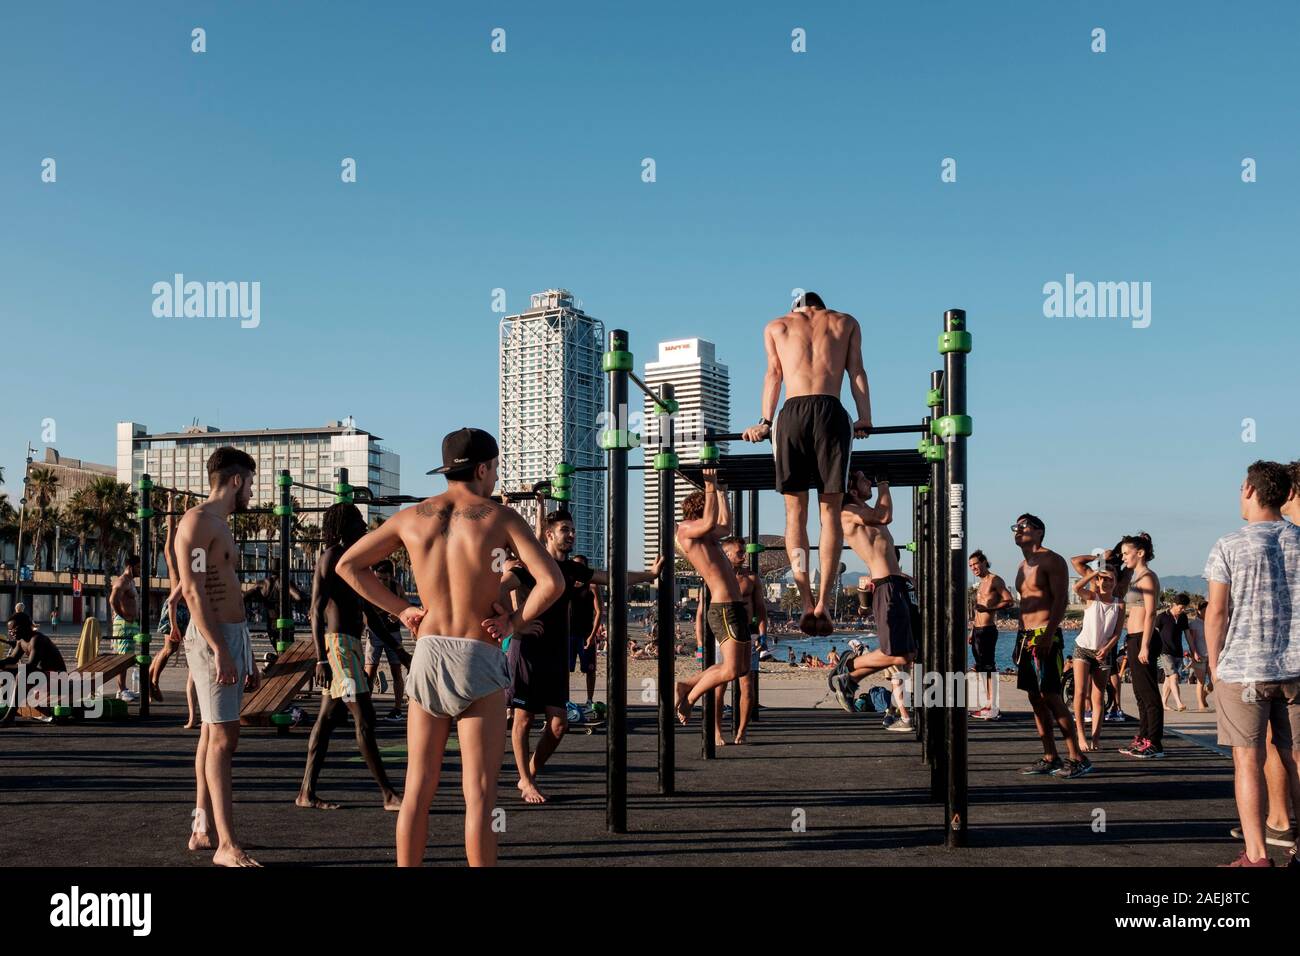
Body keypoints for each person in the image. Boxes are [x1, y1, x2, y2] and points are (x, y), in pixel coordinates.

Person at [336, 427, 563, 866]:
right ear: (482, 468)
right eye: (494, 469)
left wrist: (402, 610)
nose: (495, 478)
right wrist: (513, 623)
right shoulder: (499, 517)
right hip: (476, 652)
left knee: (418, 788)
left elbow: (349, 566)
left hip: (429, 652)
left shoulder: (410, 517)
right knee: (478, 795)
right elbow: (550, 582)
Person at [503, 496, 662, 804]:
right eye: (565, 529)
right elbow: (495, 587)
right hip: (527, 651)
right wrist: (514, 623)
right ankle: (525, 780)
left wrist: (649, 576)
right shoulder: (529, 567)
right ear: (549, 534)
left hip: (555, 654)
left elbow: (614, 577)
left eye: (573, 529)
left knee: (559, 723)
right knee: (523, 719)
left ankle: (529, 774)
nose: (571, 534)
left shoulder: (573, 571)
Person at [741, 292, 872, 636]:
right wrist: (865, 417)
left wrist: (764, 422)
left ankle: (804, 601)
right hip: (831, 412)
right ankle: (824, 603)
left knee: (794, 514)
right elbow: (856, 370)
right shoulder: (845, 321)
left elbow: (773, 375)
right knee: (830, 513)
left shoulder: (778, 325)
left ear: (796, 308)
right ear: (820, 306)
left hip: (793, 413)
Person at [1204, 460, 1300, 867]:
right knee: (1296, 754)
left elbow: (1217, 613)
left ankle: (1258, 855)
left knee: (1247, 760)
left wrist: (1212, 664)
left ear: (1250, 490)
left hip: (1244, 668)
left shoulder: (1230, 544)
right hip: (1296, 667)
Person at [173, 447, 263, 866]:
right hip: (216, 640)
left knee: (212, 734)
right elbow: (192, 591)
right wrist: (220, 649)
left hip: (231, 636)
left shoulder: (219, 526)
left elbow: (222, 586)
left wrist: (245, 651)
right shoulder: (197, 523)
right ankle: (227, 845)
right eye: (251, 482)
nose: (252, 492)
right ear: (237, 480)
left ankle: (201, 828)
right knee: (225, 741)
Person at [297, 503, 403, 812]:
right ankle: (388, 794)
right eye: (357, 520)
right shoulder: (331, 557)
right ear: (344, 525)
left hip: (351, 645)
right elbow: (315, 610)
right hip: (338, 647)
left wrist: (400, 651)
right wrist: (320, 658)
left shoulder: (356, 562)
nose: (363, 525)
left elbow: (371, 611)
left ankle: (306, 792)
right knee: (365, 718)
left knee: (326, 721)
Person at [828, 472, 917, 709]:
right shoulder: (848, 511)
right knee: (897, 654)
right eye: (864, 479)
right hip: (885, 585)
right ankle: (848, 666)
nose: (870, 482)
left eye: (871, 479)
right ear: (853, 490)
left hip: (895, 583)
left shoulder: (865, 511)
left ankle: (850, 678)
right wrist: (885, 484)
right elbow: (884, 515)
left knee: (909, 654)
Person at [1011, 514, 1090, 779]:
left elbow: (1059, 601)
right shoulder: (1023, 565)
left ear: (1039, 532)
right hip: (1026, 637)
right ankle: (1050, 756)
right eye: (1015, 527)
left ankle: (1077, 757)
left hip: (1045, 635)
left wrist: (1049, 634)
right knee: (1035, 698)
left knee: (1052, 697)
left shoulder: (1051, 560)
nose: (1018, 530)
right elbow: (1025, 606)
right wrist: (1018, 639)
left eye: (1023, 526)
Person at [674, 470, 752, 726]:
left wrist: (721, 490)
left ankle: (685, 684)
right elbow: (709, 522)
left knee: (740, 669)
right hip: (724, 607)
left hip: (734, 606)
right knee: (729, 669)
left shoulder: (707, 537)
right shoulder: (686, 531)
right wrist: (709, 484)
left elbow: (725, 526)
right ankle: (690, 698)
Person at [710, 536, 767, 746]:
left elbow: (760, 608)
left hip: (748, 632)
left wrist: (763, 634)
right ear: (727, 555)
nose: (744, 556)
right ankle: (716, 732)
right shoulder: (716, 577)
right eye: (740, 553)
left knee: (747, 686)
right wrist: (700, 642)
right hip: (724, 633)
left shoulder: (751, 578)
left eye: (744, 552)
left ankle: (741, 731)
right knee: (720, 685)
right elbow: (703, 610)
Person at [1117, 532, 1163, 758]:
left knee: (1149, 693)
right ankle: (1143, 737)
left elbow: (1151, 611)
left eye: (1127, 553)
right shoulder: (1135, 577)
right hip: (1134, 638)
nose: (1123, 557)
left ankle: (1154, 742)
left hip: (1144, 638)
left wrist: (1145, 645)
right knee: (1139, 693)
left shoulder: (1147, 577)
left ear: (1140, 553)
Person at [1069, 562, 1122, 752]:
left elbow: (1117, 632)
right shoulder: (1092, 597)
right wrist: (1093, 574)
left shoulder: (1119, 604)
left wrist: (1107, 648)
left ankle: (1096, 738)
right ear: (1098, 581)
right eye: (1103, 579)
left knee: (1099, 697)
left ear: (1115, 582)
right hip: (1083, 649)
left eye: (1111, 579)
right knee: (1081, 692)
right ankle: (1081, 735)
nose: (1107, 582)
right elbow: (1076, 587)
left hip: (1103, 653)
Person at [361, 559, 413, 722]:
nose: (381, 582)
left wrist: (398, 613)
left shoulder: (396, 587)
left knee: (396, 671)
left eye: (385, 578)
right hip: (375, 633)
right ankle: (366, 709)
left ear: (391, 577)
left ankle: (397, 709)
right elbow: (364, 614)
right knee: (369, 672)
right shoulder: (370, 588)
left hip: (393, 633)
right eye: (379, 578)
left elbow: (406, 606)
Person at [969, 549, 1015, 719]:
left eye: (975, 564)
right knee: (981, 669)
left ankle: (993, 707)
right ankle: (987, 704)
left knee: (989, 669)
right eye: (971, 566)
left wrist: (990, 608)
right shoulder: (981, 583)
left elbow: (1009, 600)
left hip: (988, 630)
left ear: (984, 562)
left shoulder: (995, 580)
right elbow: (977, 611)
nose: (973, 568)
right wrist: (972, 630)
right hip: (978, 631)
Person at [1, 612, 68, 725]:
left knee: (22, 674)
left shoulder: (37, 639)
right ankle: (9, 708)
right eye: (9, 630)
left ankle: (10, 717)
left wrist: (7, 667)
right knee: (6, 673)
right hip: (43, 677)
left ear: (24, 626)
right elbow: (12, 659)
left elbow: (30, 666)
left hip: (58, 678)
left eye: (13, 629)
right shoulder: (21, 641)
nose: (11, 633)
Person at [567, 554, 602, 709]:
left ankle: (589, 700)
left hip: (586, 634)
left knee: (590, 669)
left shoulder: (592, 585)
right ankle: (565, 701)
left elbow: (600, 612)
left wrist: (593, 635)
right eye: (574, 565)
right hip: (567, 634)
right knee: (565, 670)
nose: (577, 568)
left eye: (580, 565)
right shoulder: (565, 584)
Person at [108, 554, 142, 702]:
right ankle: (121, 690)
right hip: (124, 625)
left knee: (127, 658)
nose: (141, 570)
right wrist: (123, 616)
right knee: (122, 657)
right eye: (139, 567)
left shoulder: (131, 582)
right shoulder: (122, 581)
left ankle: (123, 688)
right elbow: (112, 600)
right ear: (130, 566)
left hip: (131, 624)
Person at [1156, 593, 1192, 712]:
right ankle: (1179, 703)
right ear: (1174, 604)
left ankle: (1163, 703)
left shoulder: (1183, 617)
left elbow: (1187, 635)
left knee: (1169, 679)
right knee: (1174, 676)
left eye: (1184, 608)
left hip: (1178, 652)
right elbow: (1154, 634)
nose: (1183, 610)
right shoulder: (1162, 617)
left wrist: (1193, 650)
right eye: (1181, 607)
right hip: (1164, 651)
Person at [1186, 600, 1214, 712]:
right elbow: (1191, 641)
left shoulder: (1211, 622)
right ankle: (1200, 705)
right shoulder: (1194, 624)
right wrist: (1194, 654)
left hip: (1211, 656)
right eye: (1205, 610)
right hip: (1199, 656)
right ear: (1199, 610)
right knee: (1201, 681)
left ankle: (1203, 696)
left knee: (1214, 682)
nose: (1207, 612)